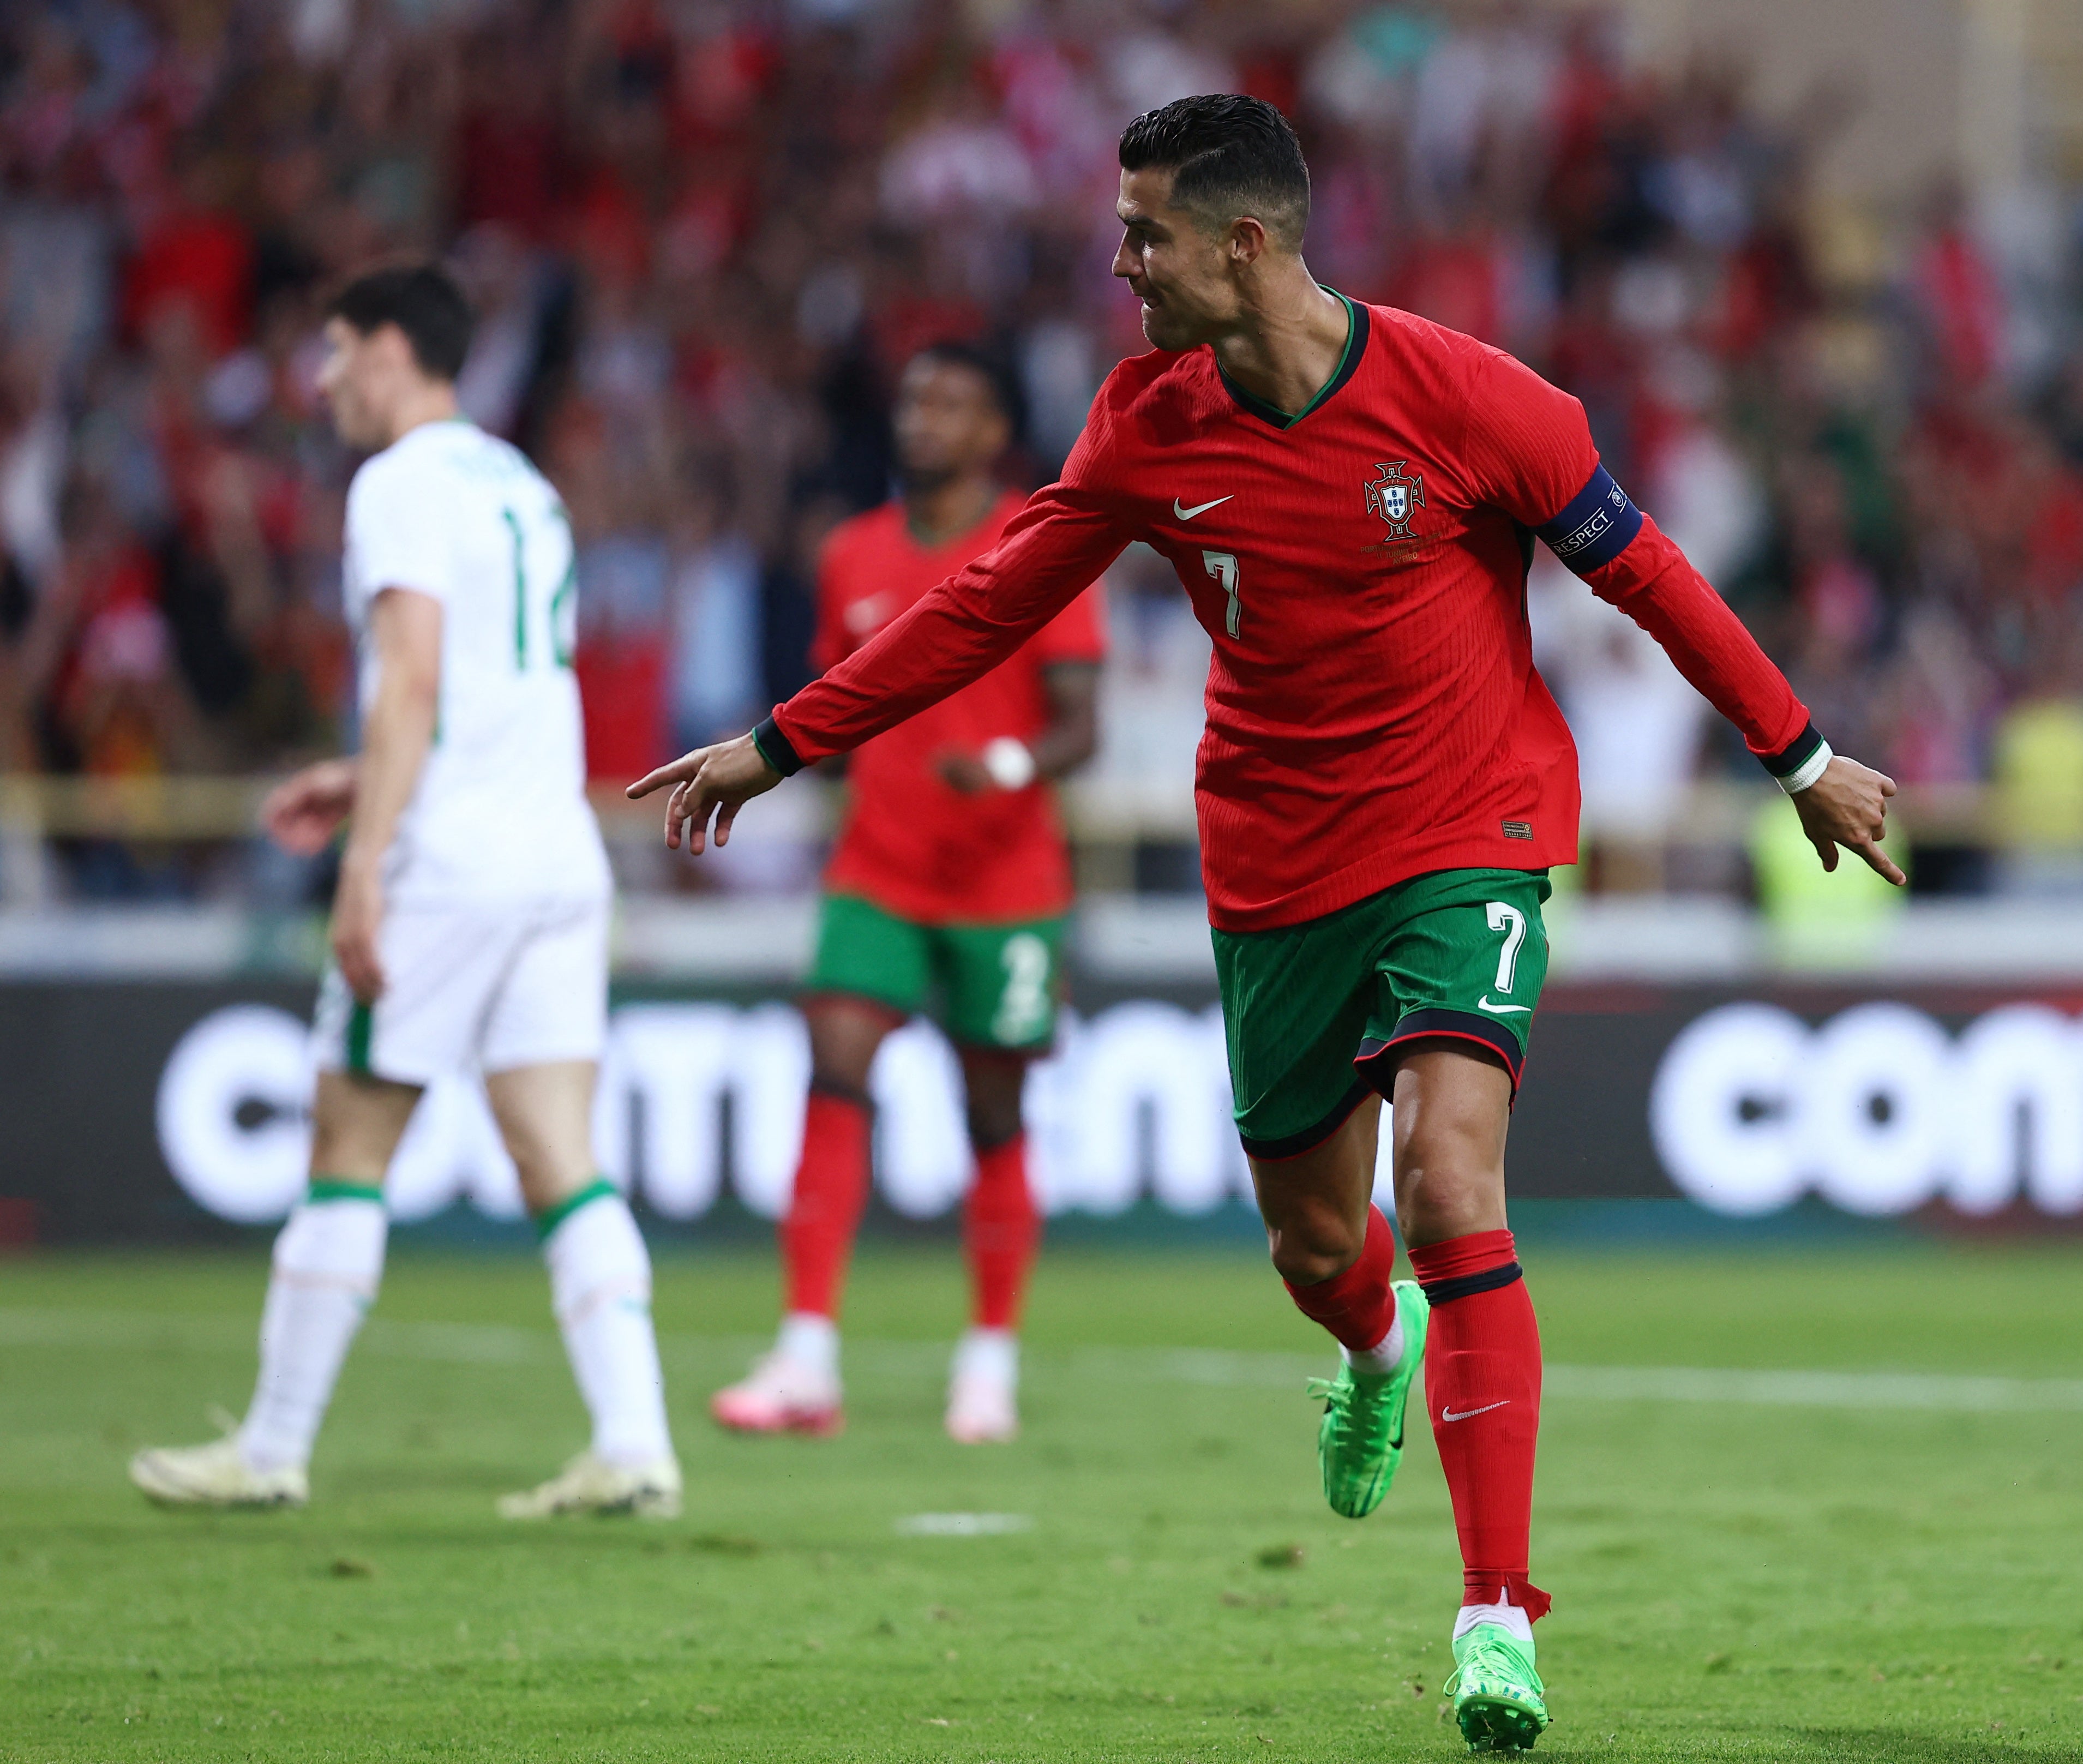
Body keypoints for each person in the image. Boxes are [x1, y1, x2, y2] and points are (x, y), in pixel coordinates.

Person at [631, 96, 1900, 1753]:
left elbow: (1646, 571)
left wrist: (1796, 754)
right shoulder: (1145, 426)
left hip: (1472, 833)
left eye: (1143, 229)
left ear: (1242, 243)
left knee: (1454, 1180)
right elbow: (987, 598)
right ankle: (1372, 1351)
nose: (1119, 259)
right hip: (1278, 868)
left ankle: (1494, 1612)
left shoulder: (1473, 401)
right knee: (1321, 1247)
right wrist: (782, 740)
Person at [129, 265, 680, 1520]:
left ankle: (269, 1449)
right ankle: (636, 1441)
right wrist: (355, 771)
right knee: (560, 1155)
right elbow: (499, 682)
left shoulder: (397, 486)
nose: (321, 380)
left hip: (451, 866)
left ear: (389, 349)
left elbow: (417, 676)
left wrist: (365, 863)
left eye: (332, 352)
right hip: (553, 857)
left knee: (348, 1143)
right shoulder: (518, 482)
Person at [710, 343, 1102, 1444]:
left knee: (993, 1112)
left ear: (993, 433)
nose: (923, 418)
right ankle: (804, 1358)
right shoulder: (851, 554)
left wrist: (1010, 766)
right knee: (833, 1062)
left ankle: (987, 1361)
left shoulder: (1040, 540)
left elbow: (1083, 722)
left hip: (1005, 879)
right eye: (915, 399)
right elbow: (835, 702)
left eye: (952, 404)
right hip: (877, 867)